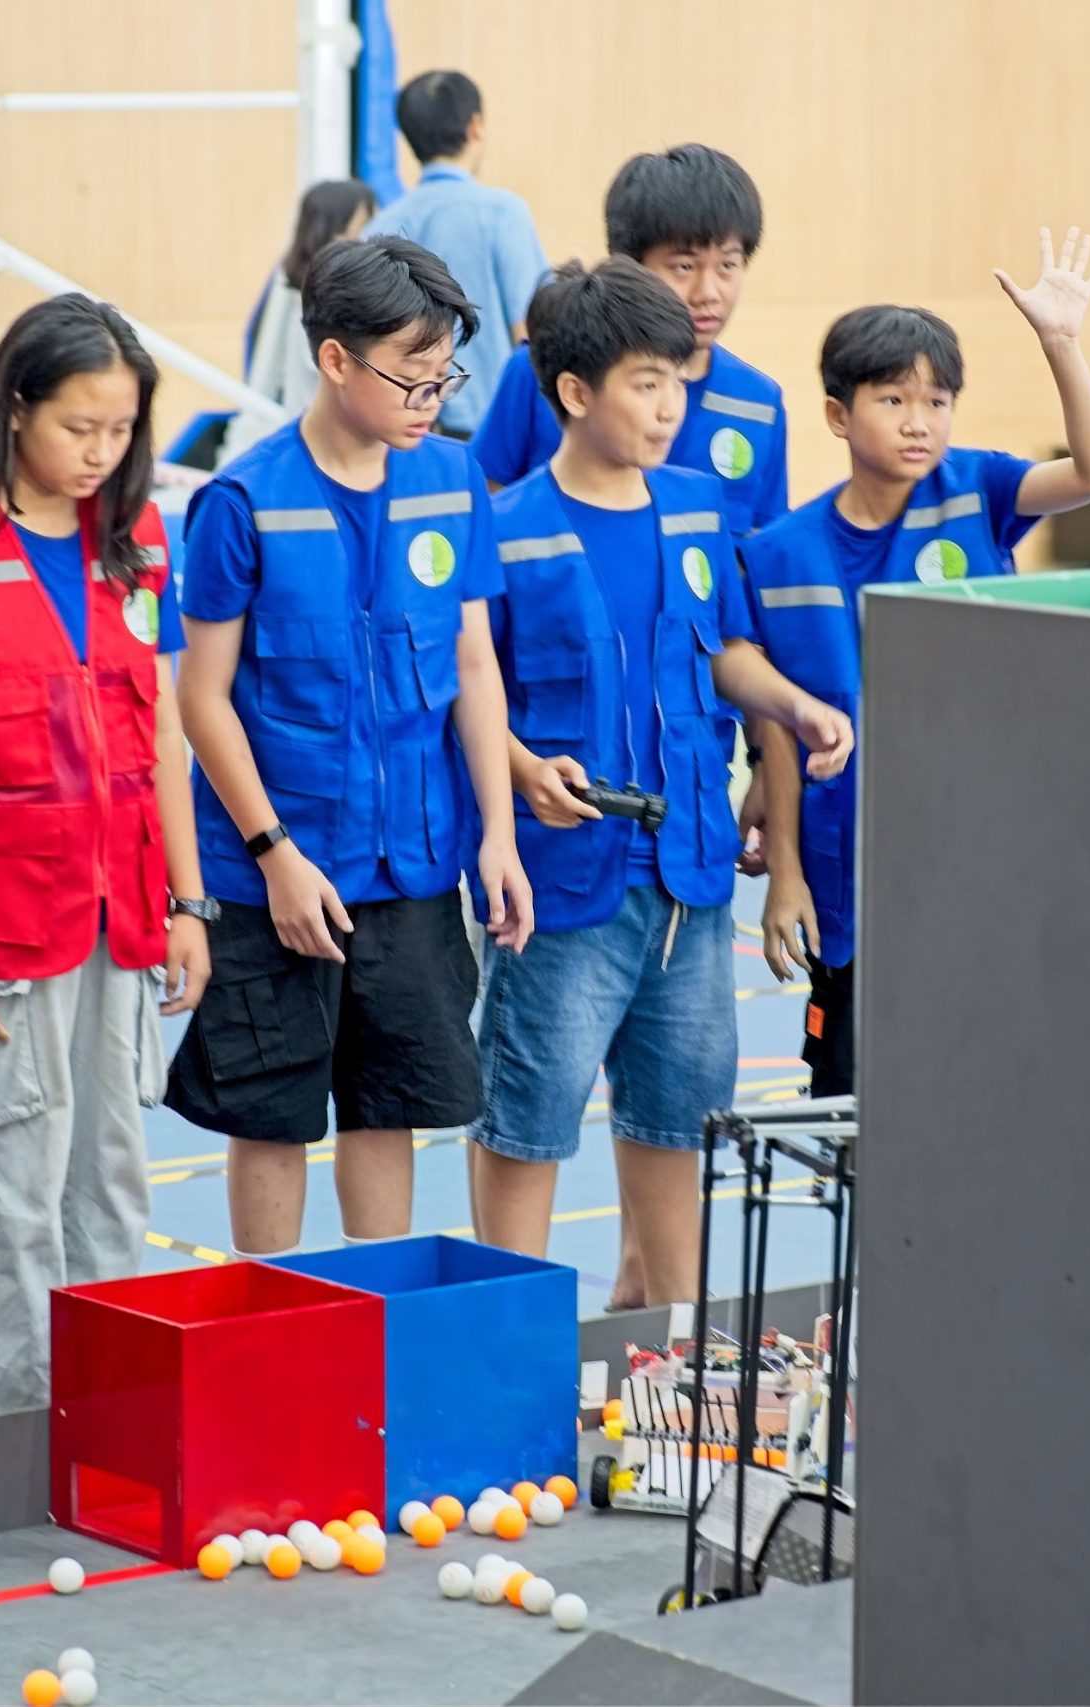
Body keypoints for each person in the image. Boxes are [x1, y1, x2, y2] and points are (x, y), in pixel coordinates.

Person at [470, 260, 851, 1305]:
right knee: (528, 1121)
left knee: (677, 1120)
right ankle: (518, 1351)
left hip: (688, 879)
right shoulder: (505, 528)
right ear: (573, 391)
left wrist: (793, 705)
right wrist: (521, 769)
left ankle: (672, 1353)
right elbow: (468, 696)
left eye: (677, 382)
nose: (670, 405)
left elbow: (724, 651)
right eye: (645, 383)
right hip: (558, 892)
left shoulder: (694, 507)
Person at [0, 293, 207, 1422]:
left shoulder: (138, 543)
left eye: (121, 430)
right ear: (15, 409)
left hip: (119, 929)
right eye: (78, 427)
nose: (101, 452)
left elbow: (161, 732)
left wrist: (190, 903)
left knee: (108, 1192)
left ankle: (106, 1435)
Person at [170, 235, 533, 1255]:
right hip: (272, 876)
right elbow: (203, 701)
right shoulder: (242, 503)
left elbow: (472, 667)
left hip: (412, 865)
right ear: (335, 359)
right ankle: (273, 1324)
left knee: (389, 1108)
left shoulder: (452, 481)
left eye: (445, 377)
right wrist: (274, 855)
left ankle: (379, 1316)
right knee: (271, 1115)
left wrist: (497, 834)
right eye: (412, 378)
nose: (431, 400)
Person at [746, 229, 1090, 1098]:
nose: (919, 421)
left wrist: (1060, 343)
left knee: (986, 1089)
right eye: (892, 399)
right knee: (856, 1100)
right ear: (839, 415)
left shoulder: (979, 491)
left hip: (985, 853)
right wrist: (787, 872)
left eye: (937, 400)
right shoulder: (778, 554)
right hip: (851, 868)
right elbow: (779, 733)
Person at [469, 145, 788, 537]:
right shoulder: (540, 369)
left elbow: (762, 546)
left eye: (727, 265)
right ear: (629, 265)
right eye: (684, 266)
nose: (709, 292)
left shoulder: (758, 403)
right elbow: (487, 514)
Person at [362, 69, 547, 440]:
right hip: (494, 435)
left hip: (407, 429)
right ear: (475, 126)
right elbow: (531, 333)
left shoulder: (380, 227)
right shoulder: (503, 213)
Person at [244, 178, 379, 422]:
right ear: (332, 229)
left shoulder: (292, 278)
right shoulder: (320, 288)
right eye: (361, 227)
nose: (367, 239)